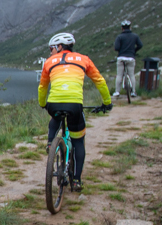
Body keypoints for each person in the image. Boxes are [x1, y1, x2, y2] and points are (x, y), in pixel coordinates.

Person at [38, 33, 112, 192]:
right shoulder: (84, 59)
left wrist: (43, 104)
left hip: (54, 104)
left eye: (51, 48)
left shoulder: (49, 62)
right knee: (78, 141)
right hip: (75, 105)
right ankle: (77, 180)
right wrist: (107, 102)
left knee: (55, 118)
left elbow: (43, 87)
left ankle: (51, 143)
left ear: (59, 47)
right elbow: (99, 80)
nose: (50, 52)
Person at [113, 20, 142, 99]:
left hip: (121, 57)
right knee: (131, 74)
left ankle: (117, 92)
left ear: (122, 28)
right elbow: (140, 45)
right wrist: (134, 51)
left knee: (119, 75)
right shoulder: (135, 36)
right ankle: (133, 92)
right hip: (131, 57)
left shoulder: (119, 37)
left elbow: (116, 48)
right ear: (130, 27)